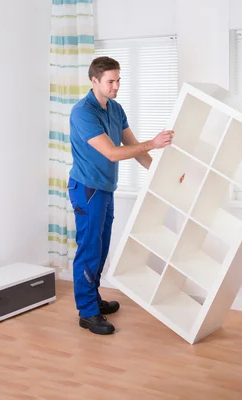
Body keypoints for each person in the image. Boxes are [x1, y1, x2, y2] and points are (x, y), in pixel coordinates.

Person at [67, 56, 173, 335]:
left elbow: (133, 146)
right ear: (94, 81)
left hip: (105, 188)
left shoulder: (115, 109)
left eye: (118, 81)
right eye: (110, 82)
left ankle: (94, 300)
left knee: (101, 249)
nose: (116, 87)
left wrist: (160, 173)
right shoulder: (83, 112)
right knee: (89, 249)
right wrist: (155, 143)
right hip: (87, 189)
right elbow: (113, 152)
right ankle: (87, 313)